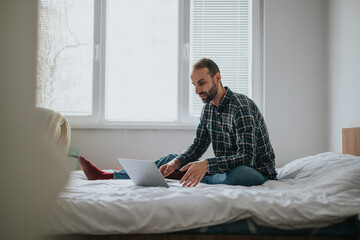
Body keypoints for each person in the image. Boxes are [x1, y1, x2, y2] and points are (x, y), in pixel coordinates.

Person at [79, 58, 277, 187]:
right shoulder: (208, 108)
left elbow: (246, 158)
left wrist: (206, 165)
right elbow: (198, 146)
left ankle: (193, 175)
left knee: (237, 174)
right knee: (172, 159)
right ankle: (109, 176)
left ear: (217, 78)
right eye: (194, 85)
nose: (197, 91)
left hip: (256, 173)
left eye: (202, 83)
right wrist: (177, 162)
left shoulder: (241, 107)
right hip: (223, 170)